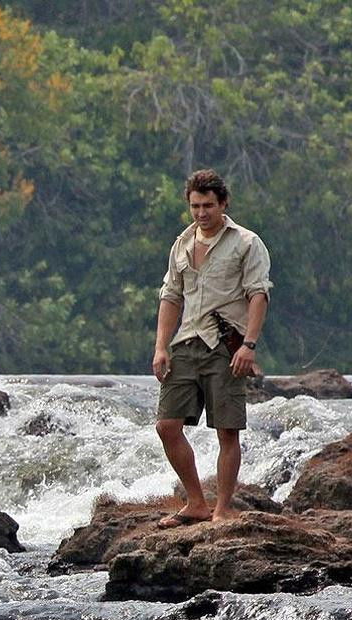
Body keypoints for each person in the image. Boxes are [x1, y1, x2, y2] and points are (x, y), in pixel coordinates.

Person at [150, 168, 272, 526]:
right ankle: (196, 503)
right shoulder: (182, 243)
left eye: (207, 206)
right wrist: (161, 347)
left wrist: (248, 345)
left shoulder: (246, 242)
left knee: (227, 430)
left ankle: (222, 509)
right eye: (195, 206)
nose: (201, 213)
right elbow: (170, 296)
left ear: (223, 204)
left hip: (226, 344)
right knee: (167, 425)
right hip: (187, 340)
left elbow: (258, 294)